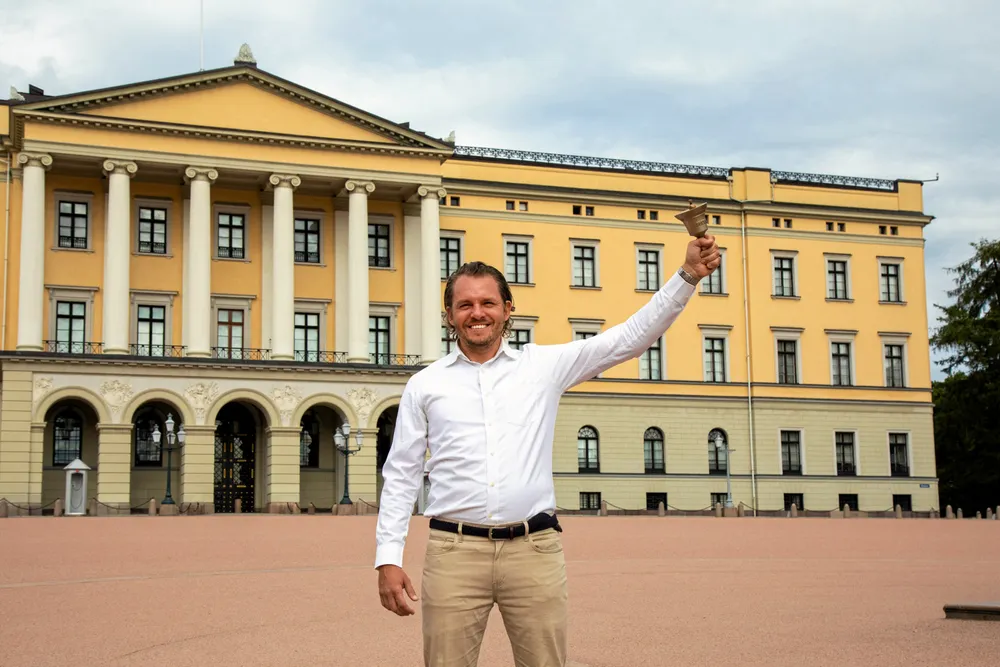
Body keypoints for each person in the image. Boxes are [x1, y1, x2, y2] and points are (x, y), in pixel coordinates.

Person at [375, 234, 721, 666]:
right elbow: (402, 473)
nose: (477, 313)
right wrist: (387, 558)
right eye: (465, 305)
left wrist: (687, 276)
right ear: (449, 315)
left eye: (488, 303)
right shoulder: (425, 384)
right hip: (454, 553)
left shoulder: (542, 367)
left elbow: (629, 338)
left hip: (533, 550)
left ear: (508, 309)